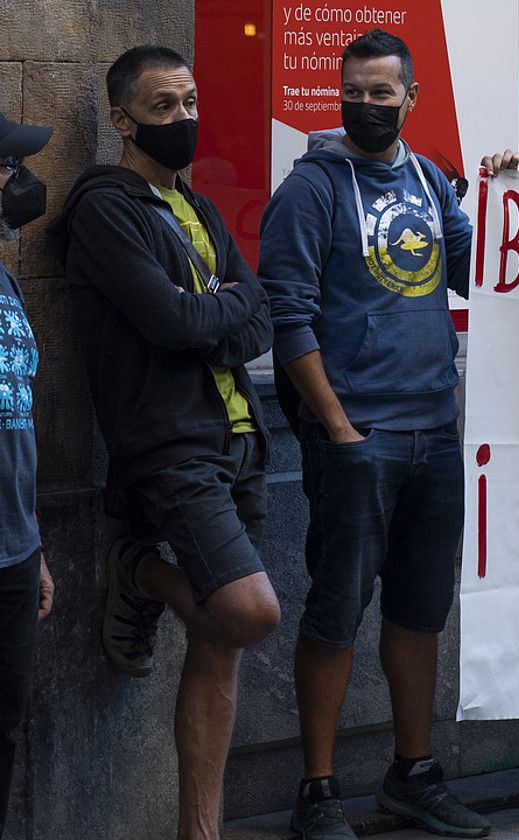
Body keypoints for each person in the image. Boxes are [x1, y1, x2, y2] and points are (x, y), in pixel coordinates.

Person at [258, 29, 517, 839]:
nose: (366, 105)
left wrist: (505, 200)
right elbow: (287, 318)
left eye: (382, 92)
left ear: (412, 100)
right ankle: (319, 791)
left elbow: (484, 273)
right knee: (336, 611)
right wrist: (339, 431)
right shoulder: (312, 189)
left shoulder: (433, 181)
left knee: (419, 612)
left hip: (434, 433)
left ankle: (413, 775)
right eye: (355, 90)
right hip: (357, 438)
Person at [50, 45, 281, 839]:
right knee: (247, 614)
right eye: (162, 108)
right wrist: (222, 313)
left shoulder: (201, 207)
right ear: (121, 119)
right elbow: (173, 320)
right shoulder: (107, 209)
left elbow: (263, 311)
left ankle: (199, 830)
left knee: (220, 645)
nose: (182, 119)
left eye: (189, 103)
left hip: (239, 438)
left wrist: (217, 313)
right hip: (169, 446)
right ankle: (141, 570)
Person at [0, 110, 55, 840]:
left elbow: (20, 429)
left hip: (12, 556)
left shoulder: (7, 286)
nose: (16, 180)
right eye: (6, 165)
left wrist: (33, 544)